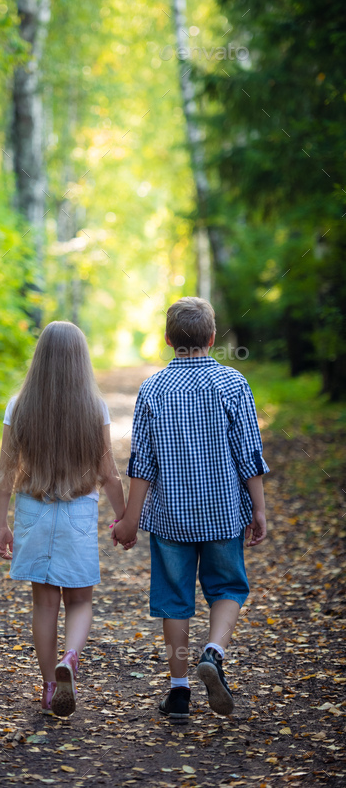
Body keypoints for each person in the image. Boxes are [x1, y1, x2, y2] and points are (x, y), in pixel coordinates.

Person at [113, 297, 269, 722]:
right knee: (229, 589)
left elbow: (141, 464)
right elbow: (248, 454)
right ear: (213, 338)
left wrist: (129, 519)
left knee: (175, 601)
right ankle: (214, 652)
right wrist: (259, 508)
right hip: (222, 511)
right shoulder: (232, 384)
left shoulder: (153, 389)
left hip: (170, 519)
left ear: (168, 340)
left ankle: (179, 691)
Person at [0, 320, 125, 717]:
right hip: (78, 513)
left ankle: (50, 687)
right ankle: (70, 657)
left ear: (41, 357)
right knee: (81, 599)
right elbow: (109, 474)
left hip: (33, 511)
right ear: (80, 360)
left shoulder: (19, 405)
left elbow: (4, 470)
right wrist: (123, 519)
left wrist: (2, 523)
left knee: (45, 604)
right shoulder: (94, 406)